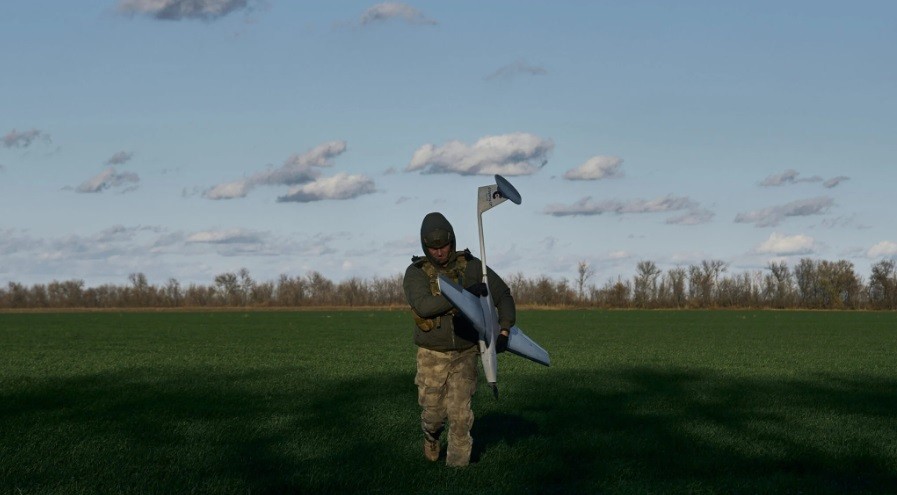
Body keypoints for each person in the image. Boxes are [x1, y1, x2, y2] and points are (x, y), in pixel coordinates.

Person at [403, 211, 516, 467]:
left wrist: (505, 329)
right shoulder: (416, 273)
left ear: (452, 241)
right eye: (433, 248)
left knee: (461, 417)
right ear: (425, 247)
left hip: (466, 352)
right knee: (434, 415)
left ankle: (457, 472)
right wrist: (464, 295)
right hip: (432, 354)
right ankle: (431, 437)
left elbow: (504, 295)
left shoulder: (474, 267)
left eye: (444, 246)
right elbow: (425, 306)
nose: (439, 252)